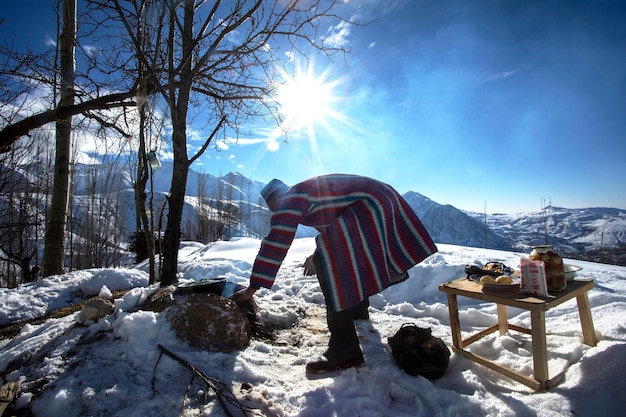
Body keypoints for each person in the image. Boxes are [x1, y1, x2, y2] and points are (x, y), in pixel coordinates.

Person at [231, 174, 437, 374]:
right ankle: (357, 311)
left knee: (327, 264)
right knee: (339, 257)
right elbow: (333, 231)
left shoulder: (290, 198)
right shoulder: (305, 196)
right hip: (380, 199)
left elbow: (276, 241)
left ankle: (344, 349)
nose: (272, 210)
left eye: (270, 204)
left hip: (371, 205)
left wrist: (252, 287)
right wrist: (317, 254)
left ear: (276, 197)